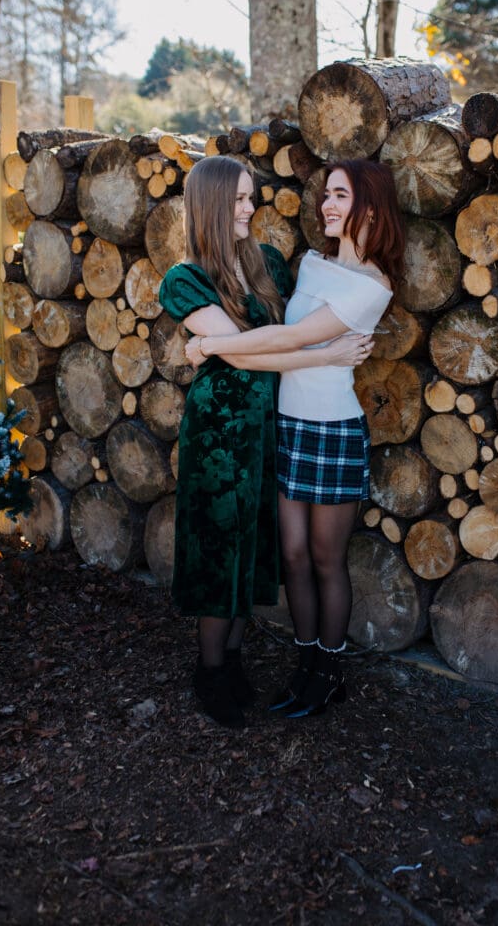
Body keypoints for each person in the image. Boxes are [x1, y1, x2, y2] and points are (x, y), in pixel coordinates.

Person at [158, 156, 373, 729]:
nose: (249, 208)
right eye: (237, 201)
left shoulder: (270, 264)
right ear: (208, 206)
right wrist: (322, 354)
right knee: (219, 553)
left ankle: (233, 659)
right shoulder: (185, 279)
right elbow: (242, 350)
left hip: (272, 427)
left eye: (251, 197)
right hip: (220, 435)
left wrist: (211, 349)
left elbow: (276, 333)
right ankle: (210, 672)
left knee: (254, 550)